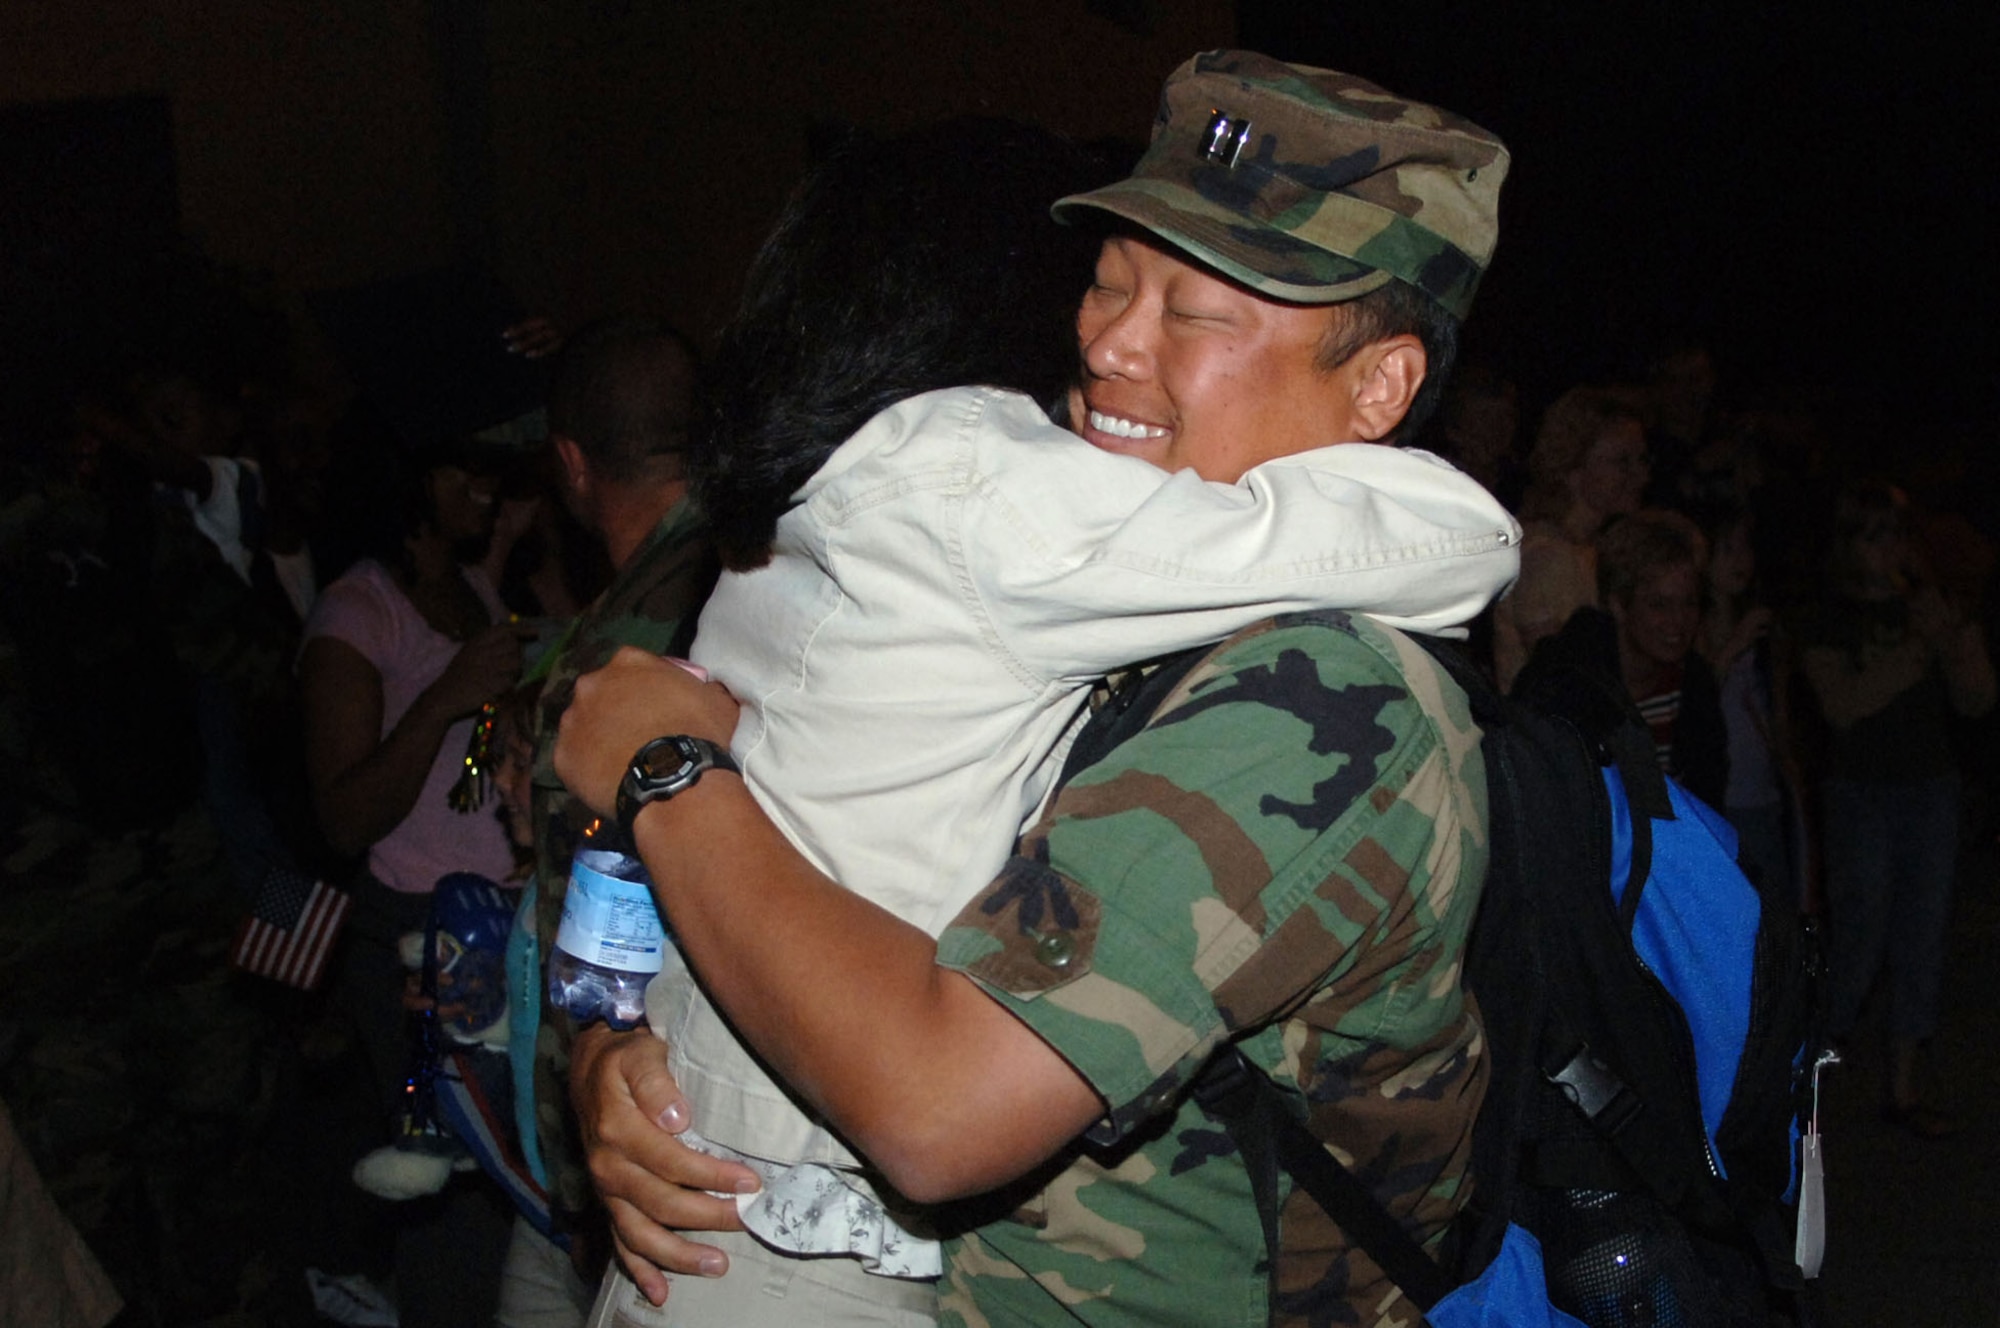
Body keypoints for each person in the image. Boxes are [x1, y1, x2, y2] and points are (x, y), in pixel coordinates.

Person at [562, 53, 1510, 1328]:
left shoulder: (1323, 698)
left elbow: (934, 1107)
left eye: (1195, 315)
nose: (1106, 342)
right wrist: (617, 1048)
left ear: (1380, 383)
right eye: (1105, 283)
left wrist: (667, 777)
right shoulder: (1088, 570)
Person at [299, 424, 529, 1328]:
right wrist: (444, 699)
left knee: (511, 1178)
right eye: (464, 472)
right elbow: (343, 817)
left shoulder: (470, 585)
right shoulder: (357, 613)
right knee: (449, 1198)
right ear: (414, 480)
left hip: (501, 917)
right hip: (412, 932)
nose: (485, 491)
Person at [523, 316, 720, 1289]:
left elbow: (597, 940)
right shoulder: (764, 572)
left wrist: (581, 1165)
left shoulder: (616, 658)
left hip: (661, 1116)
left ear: (571, 464)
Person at [1797, 479, 1994, 1137]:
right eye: (1876, 536)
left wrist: (1957, 638)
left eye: (1899, 534)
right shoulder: (1829, 616)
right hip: (1861, 794)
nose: (1892, 550)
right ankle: (1812, 1060)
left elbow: (1978, 698)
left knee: (1923, 935)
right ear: (1850, 544)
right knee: (1861, 934)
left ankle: (1904, 1088)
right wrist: (1919, 648)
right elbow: (1842, 705)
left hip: (1931, 787)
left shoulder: (1929, 606)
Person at [1492, 385, 1650, 690]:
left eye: (1642, 460)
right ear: (1573, 466)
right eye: (1622, 461)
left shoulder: (1586, 549)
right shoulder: (1548, 558)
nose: (1641, 476)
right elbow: (1565, 684)